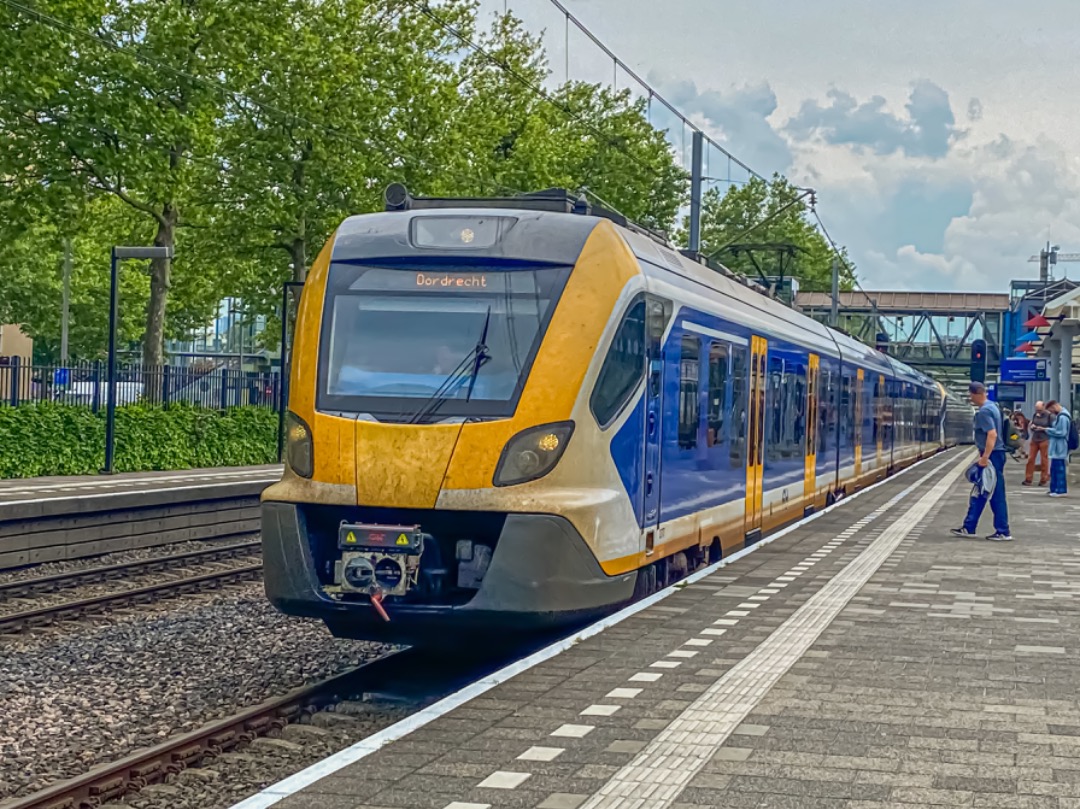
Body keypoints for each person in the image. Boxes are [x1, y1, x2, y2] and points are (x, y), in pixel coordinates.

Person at [951, 381, 1012, 541]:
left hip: (992, 456)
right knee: (981, 492)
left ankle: (1003, 530)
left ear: (976, 393)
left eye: (970, 395)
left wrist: (985, 457)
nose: (970, 399)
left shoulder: (984, 412)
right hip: (996, 455)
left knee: (994, 493)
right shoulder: (993, 406)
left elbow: (992, 434)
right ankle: (969, 526)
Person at [1040, 400, 1071, 497]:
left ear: (1055, 406)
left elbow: (1062, 432)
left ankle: (1060, 490)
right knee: (1054, 468)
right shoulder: (1061, 416)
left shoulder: (1062, 417)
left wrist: (1047, 430)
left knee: (1059, 469)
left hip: (1060, 447)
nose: (1052, 412)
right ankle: (1054, 488)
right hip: (1058, 447)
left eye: (1052, 410)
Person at [1024, 401, 1052, 486]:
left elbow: (1052, 428)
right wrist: (1032, 426)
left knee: (1044, 459)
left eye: (1039, 410)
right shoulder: (1035, 415)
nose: (1038, 412)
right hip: (1035, 438)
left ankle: (1043, 479)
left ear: (1044, 407)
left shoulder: (1049, 416)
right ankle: (1028, 479)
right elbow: (1032, 423)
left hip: (1044, 439)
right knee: (1031, 458)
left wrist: (1043, 428)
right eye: (1037, 410)